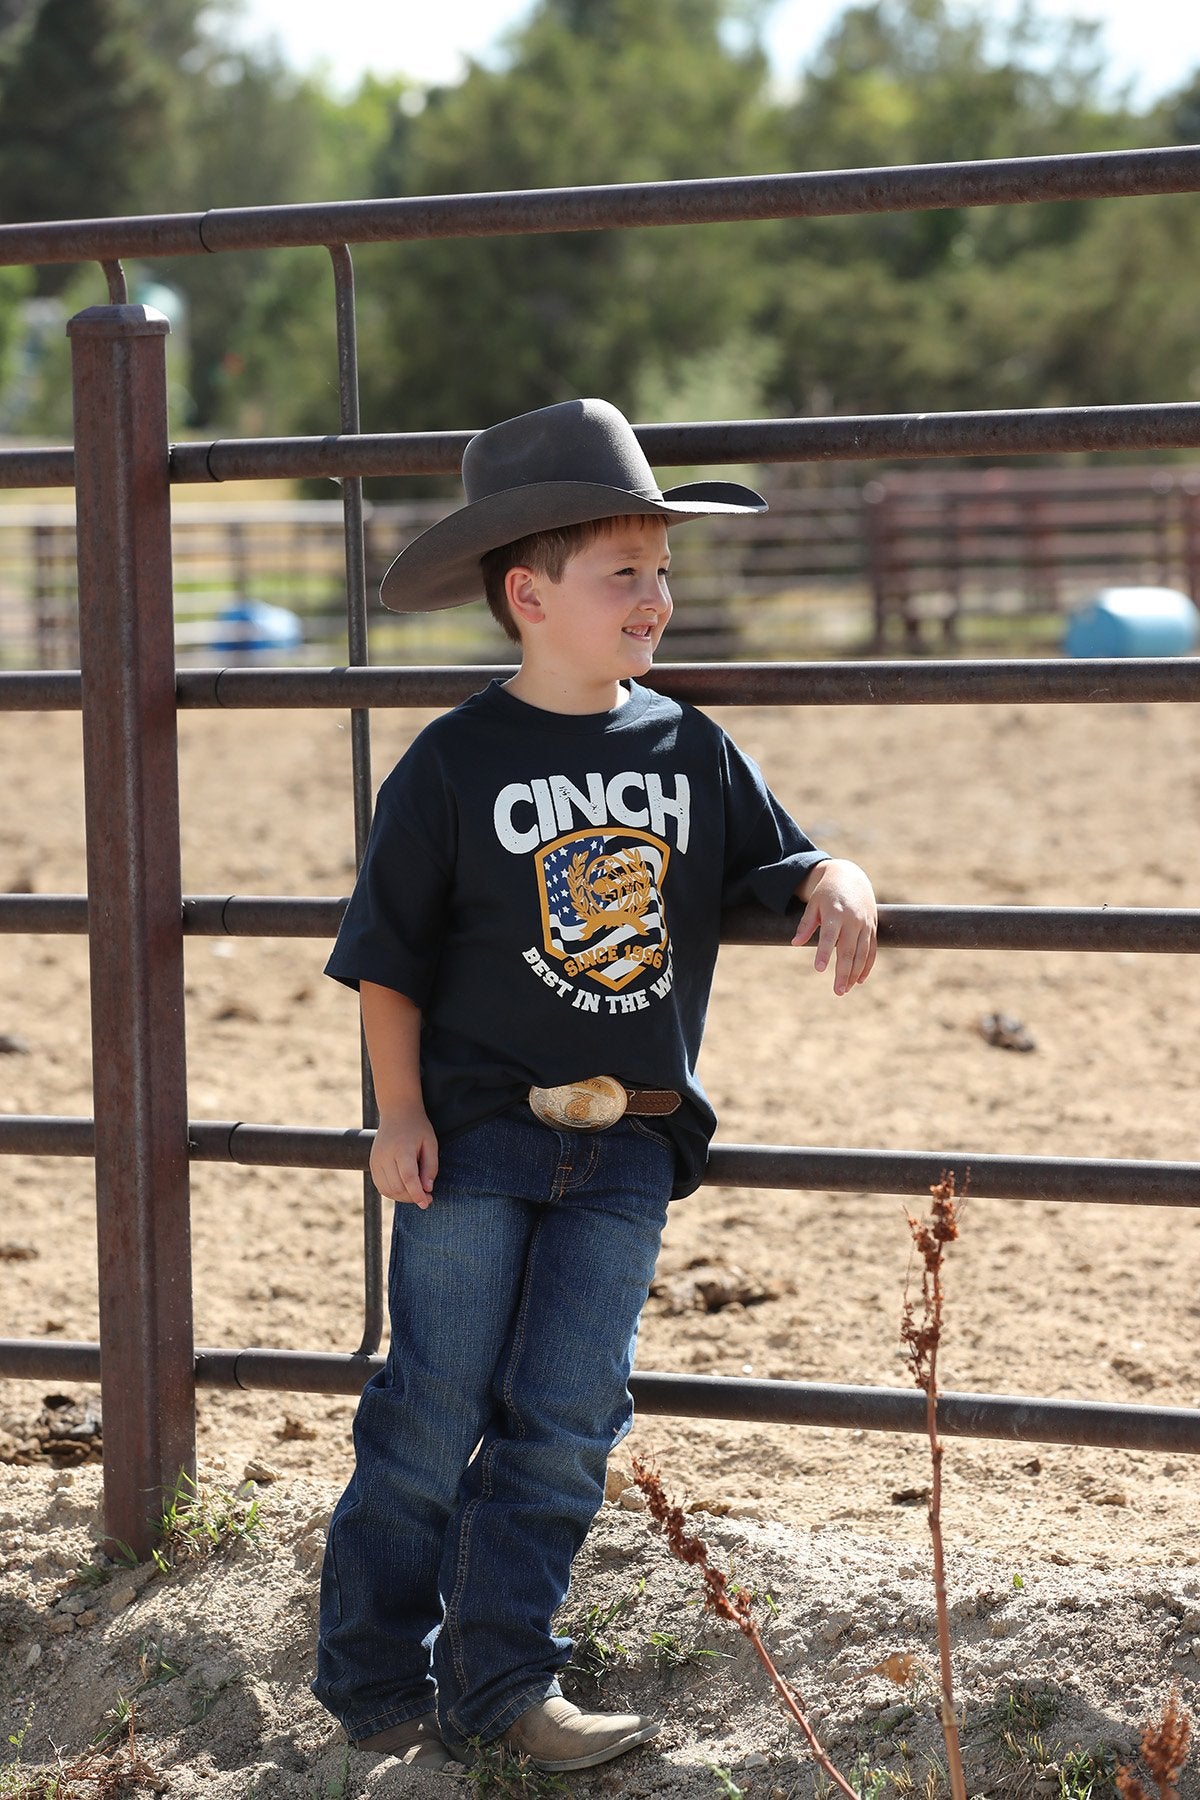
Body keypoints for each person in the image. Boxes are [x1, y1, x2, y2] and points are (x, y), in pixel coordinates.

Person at [311, 398, 877, 1774]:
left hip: (628, 1143)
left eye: (662, 572)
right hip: (476, 1139)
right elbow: (387, 959)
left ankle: (506, 1683)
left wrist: (834, 873)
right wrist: (397, 1116)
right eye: (624, 573)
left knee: (566, 1418)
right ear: (529, 594)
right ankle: (379, 1673)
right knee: (433, 1406)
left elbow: (777, 855)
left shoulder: (686, 748)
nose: (656, 598)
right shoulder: (451, 763)